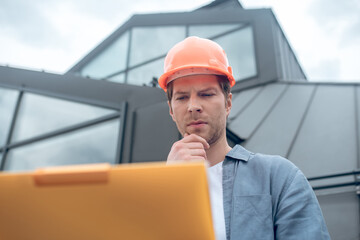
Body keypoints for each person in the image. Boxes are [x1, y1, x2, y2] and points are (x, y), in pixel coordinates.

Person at [158, 36, 330, 240]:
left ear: (228, 103)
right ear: (171, 109)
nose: (193, 106)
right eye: (182, 97)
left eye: (206, 94)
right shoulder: (156, 193)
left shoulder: (279, 178)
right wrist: (169, 188)